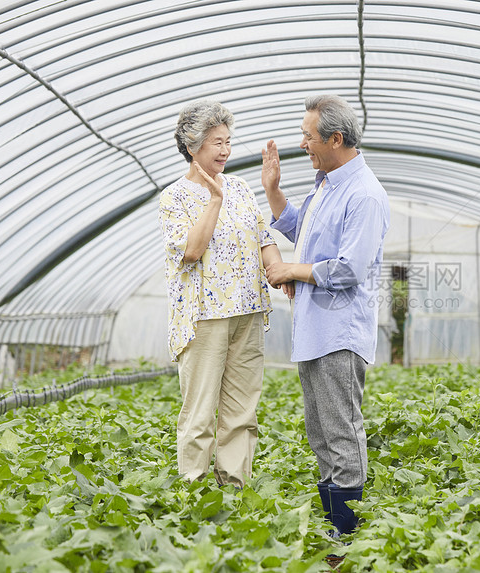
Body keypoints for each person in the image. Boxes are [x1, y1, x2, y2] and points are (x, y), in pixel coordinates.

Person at [261, 94, 390, 539]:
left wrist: (292, 269)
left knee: (340, 431)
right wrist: (274, 192)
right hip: (313, 329)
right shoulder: (326, 183)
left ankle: (348, 531)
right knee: (320, 430)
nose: (303, 144)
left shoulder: (364, 194)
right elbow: (306, 233)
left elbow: (350, 268)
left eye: (308, 136)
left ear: (336, 139)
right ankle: (335, 526)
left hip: (339, 332)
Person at [159, 100, 292, 488]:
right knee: (199, 412)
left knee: (241, 410)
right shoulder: (175, 197)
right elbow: (191, 250)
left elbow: (261, 236)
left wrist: (277, 270)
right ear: (192, 144)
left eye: (228, 141)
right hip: (203, 318)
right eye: (217, 142)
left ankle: (234, 486)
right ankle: (193, 487)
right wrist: (214, 200)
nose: (225, 151)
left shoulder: (241, 187)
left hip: (247, 311)